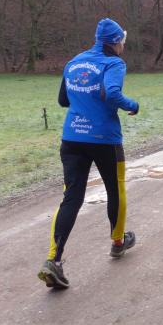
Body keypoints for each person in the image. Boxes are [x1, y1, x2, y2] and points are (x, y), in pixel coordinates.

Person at [37, 18, 140, 289]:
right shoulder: (114, 63)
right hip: (105, 139)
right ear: (115, 42)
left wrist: (84, 99)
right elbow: (113, 94)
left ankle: (53, 260)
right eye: (122, 41)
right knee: (115, 190)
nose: (123, 46)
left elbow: (63, 100)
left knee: (71, 197)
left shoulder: (74, 62)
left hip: (72, 138)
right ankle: (118, 242)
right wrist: (133, 105)